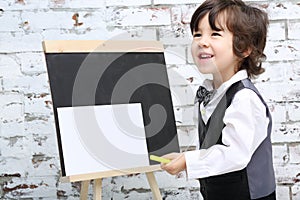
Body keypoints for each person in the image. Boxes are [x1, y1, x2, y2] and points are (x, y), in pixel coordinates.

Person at [161, 0, 276, 199]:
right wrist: (185, 158)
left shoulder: (244, 98)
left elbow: (235, 154)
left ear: (245, 48)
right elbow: (211, 144)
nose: (202, 41)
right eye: (197, 34)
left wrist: (189, 161)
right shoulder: (209, 93)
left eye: (215, 34)